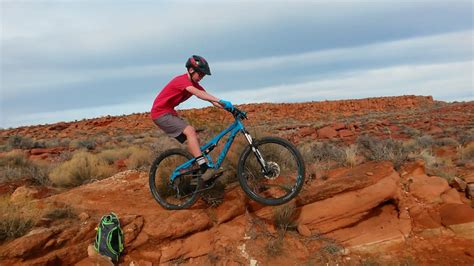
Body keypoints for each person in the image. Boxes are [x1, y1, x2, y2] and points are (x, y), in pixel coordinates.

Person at [150, 55, 234, 182]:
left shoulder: (194, 84)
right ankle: (204, 168)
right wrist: (220, 100)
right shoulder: (182, 81)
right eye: (200, 74)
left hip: (169, 113)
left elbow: (208, 97)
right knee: (190, 131)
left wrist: (230, 108)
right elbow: (199, 94)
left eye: (203, 75)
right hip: (160, 113)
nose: (201, 77)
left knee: (195, 137)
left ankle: (196, 175)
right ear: (191, 70)